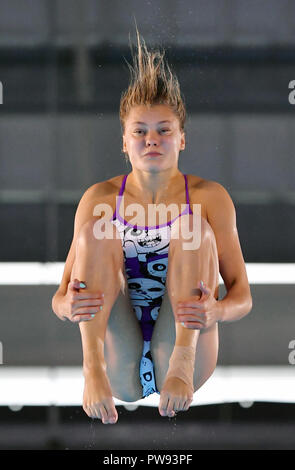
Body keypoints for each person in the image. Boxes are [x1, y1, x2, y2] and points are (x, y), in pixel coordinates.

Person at [51, 28, 252, 424]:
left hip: (185, 345)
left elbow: (243, 296)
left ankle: (180, 362)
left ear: (182, 139)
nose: (152, 140)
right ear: (124, 142)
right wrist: (66, 305)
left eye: (164, 130)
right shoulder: (100, 198)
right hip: (120, 353)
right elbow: (61, 297)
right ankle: (92, 371)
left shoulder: (210, 198)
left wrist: (216, 312)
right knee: (97, 229)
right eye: (139, 132)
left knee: (193, 227)